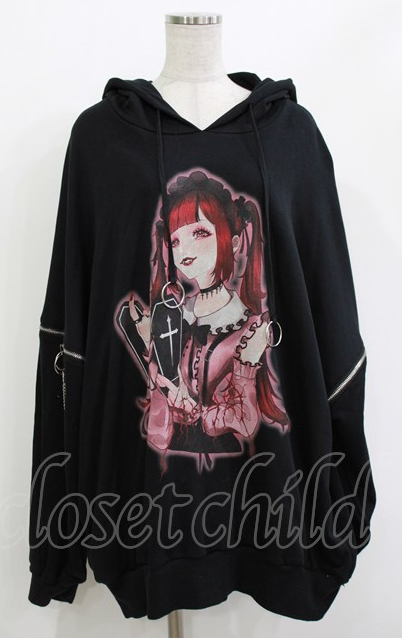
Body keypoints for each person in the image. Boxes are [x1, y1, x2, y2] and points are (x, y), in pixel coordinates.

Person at [114, 170, 291, 473]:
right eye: (175, 239)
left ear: (234, 243)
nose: (184, 249)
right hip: (162, 474)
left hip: (239, 476)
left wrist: (246, 364)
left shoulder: (250, 326)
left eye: (199, 233)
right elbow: (157, 428)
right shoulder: (171, 315)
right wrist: (153, 351)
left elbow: (245, 421)